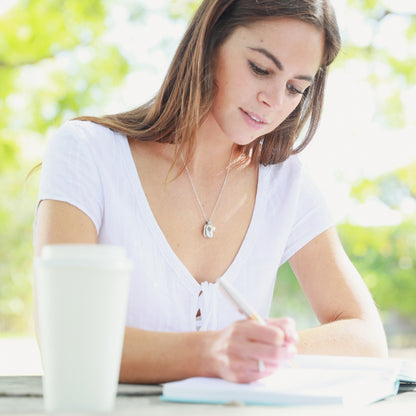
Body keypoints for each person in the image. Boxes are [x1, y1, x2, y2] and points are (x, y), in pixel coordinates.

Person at [33, 0, 388, 384]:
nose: (274, 101)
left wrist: (262, 350)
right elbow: (66, 342)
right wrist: (213, 352)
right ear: (210, 42)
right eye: (260, 69)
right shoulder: (88, 153)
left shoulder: (287, 186)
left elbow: (366, 339)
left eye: (295, 88)